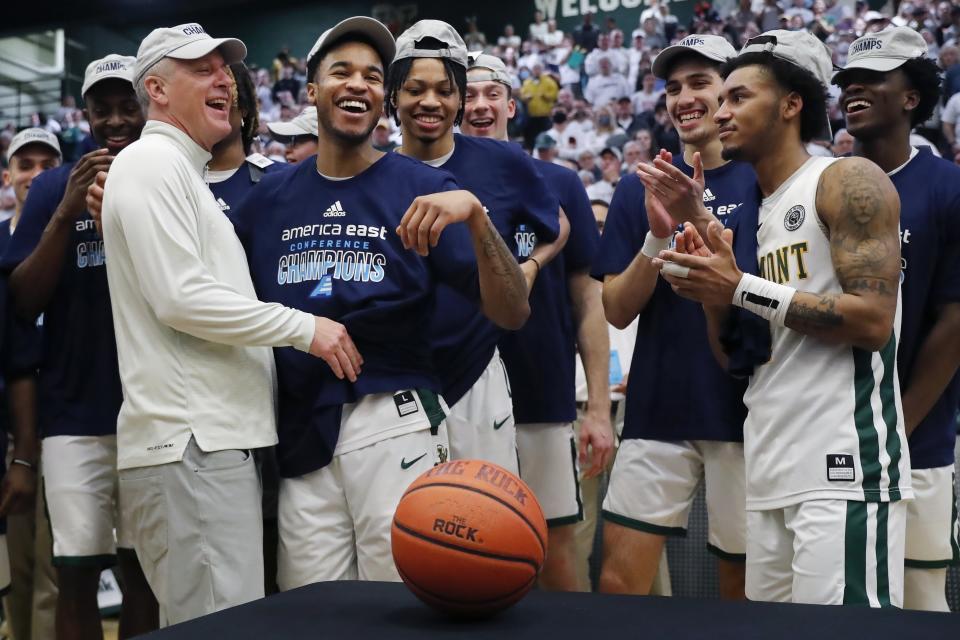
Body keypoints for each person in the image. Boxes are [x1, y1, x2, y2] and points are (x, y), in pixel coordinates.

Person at [231, 16, 532, 592]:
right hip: (301, 434)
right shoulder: (267, 198)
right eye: (341, 72)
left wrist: (477, 217)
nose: (358, 85)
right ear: (312, 91)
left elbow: (513, 312)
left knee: (399, 606)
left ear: (382, 97)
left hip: (392, 418)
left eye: (372, 76)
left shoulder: (422, 188)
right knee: (310, 612)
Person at [97, 23, 354, 626]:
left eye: (225, 68)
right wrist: (303, 327)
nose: (224, 80)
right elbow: (181, 298)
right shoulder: (151, 161)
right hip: (191, 442)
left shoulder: (179, 170)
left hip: (206, 444)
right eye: (202, 68)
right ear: (156, 89)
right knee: (220, 625)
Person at [647, 30, 910, 607]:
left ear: (791, 105)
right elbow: (741, 361)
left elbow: (871, 321)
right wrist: (714, 294)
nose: (721, 113)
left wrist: (740, 285)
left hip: (843, 460)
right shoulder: (758, 215)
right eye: (722, 102)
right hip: (768, 462)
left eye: (738, 98)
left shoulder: (846, 179)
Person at [1, 55, 159, 639]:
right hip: (72, 413)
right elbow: (22, 301)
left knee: (145, 573)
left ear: (149, 105)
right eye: (103, 109)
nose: (116, 120)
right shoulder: (50, 188)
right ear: (84, 115)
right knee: (74, 575)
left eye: (128, 106)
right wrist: (67, 211)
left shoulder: (172, 175)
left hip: (154, 408)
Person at [591, 35, 750, 599]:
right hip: (659, 405)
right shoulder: (640, 189)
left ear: (732, 93)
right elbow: (615, 308)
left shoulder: (769, 179)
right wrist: (658, 234)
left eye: (700, 83)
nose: (684, 97)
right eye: (674, 87)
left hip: (746, 412)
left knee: (742, 587)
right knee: (619, 583)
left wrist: (696, 216)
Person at [462, 52, 614, 591]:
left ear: (510, 103)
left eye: (491, 93)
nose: (480, 104)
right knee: (463, 549)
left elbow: (588, 301)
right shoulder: (430, 182)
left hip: (542, 394)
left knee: (555, 549)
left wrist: (597, 407)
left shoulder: (559, 182)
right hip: (457, 396)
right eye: (469, 94)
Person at [385, 23, 560, 478]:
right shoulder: (376, 171)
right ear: (393, 97)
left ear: (460, 99)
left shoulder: (503, 161)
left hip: (477, 371)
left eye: (445, 90)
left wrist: (530, 268)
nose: (430, 102)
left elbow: (556, 224)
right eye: (415, 89)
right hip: (397, 377)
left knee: (487, 525)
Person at [833, 26, 960, 612]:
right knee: (837, 603)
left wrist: (896, 428)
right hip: (831, 437)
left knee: (920, 600)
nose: (853, 88)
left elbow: (955, 323)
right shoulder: (821, 185)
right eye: (847, 81)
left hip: (917, 440)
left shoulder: (948, 186)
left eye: (873, 78)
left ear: (911, 97)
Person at [0, 129, 58, 640]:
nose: (35, 174)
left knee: (57, 575)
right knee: (15, 576)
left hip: (67, 425)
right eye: (25, 164)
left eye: (47, 163)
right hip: (14, 437)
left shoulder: (83, 236)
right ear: (8, 176)